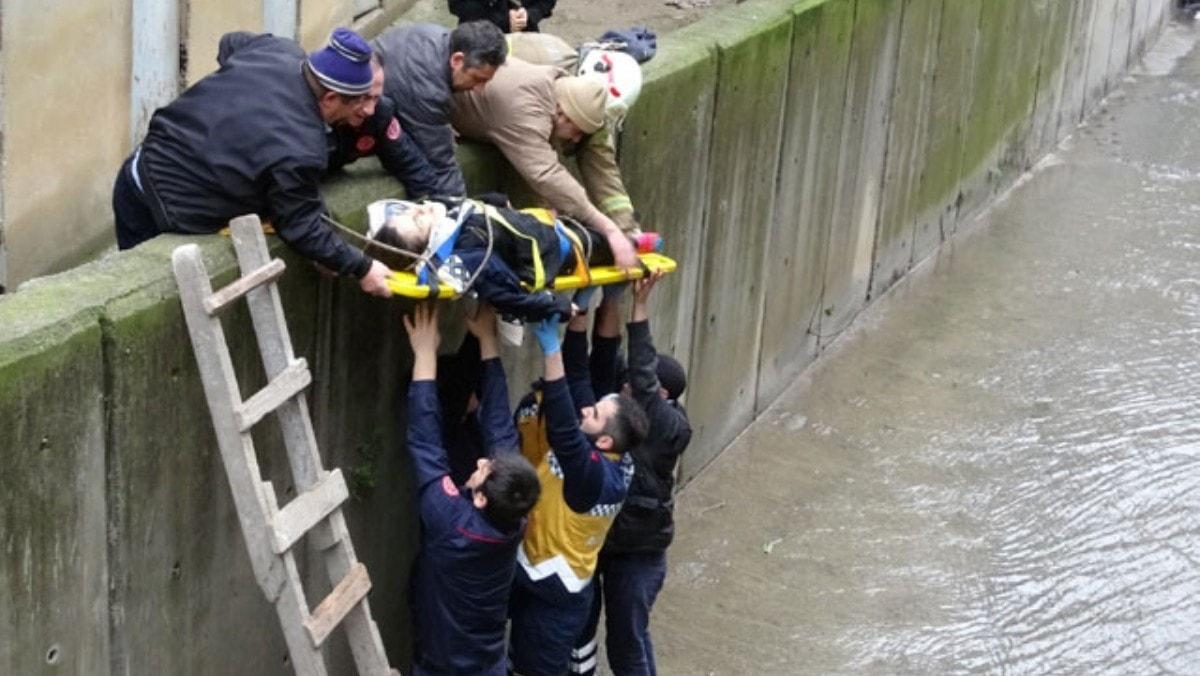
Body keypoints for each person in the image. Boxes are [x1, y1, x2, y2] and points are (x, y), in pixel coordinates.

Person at [111, 28, 393, 297]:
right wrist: (362, 268)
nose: (368, 110)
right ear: (330, 98)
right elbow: (300, 225)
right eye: (358, 102)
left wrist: (235, 95)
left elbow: (230, 42)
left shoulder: (277, 50)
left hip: (137, 168)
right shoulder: (303, 147)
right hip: (161, 208)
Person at [507, 309, 649, 675]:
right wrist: (579, 316)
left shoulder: (594, 478)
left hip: (552, 594)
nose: (585, 411)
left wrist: (550, 349)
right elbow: (580, 383)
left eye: (595, 414)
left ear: (602, 440)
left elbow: (564, 423)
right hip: (546, 582)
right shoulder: (614, 455)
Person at [403, 302, 541, 676]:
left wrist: (424, 354)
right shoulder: (514, 514)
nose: (480, 462)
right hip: (487, 662)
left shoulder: (450, 522)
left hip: (441, 666)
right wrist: (487, 341)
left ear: (479, 498)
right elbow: (499, 430)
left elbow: (427, 443)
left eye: (482, 472)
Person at [571, 272, 692, 676]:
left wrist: (640, 309)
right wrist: (610, 299)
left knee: (627, 640)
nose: (620, 392)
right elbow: (605, 360)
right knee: (581, 631)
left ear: (661, 397)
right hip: (598, 540)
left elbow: (640, 375)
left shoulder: (665, 427)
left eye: (635, 388)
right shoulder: (623, 412)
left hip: (637, 553)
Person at [450, 58, 640, 269]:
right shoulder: (524, 111)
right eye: (577, 132)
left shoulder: (557, 83)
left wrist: (627, 228)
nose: (576, 140)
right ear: (562, 115)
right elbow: (546, 174)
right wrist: (610, 230)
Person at [214, 34, 441, 199]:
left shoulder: (378, 116)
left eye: (375, 98)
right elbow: (231, 42)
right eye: (361, 98)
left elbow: (414, 168)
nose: (368, 109)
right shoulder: (292, 108)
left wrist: (436, 211)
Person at [369, 196, 625, 322]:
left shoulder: (448, 217)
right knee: (616, 245)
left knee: (605, 234)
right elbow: (504, 293)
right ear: (426, 244)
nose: (420, 208)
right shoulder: (464, 257)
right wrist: (555, 306)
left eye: (410, 211)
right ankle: (639, 242)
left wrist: (499, 202)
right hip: (559, 251)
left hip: (540, 227)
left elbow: (481, 205)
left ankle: (631, 238)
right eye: (418, 220)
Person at [373, 21, 508, 197]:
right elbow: (441, 165)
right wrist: (461, 211)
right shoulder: (429, 90)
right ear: (457, 60)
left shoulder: (439, 36)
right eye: (477, 79)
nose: (479, 89)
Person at [448, 0, 557, 34]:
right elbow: (456, 6)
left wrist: (529, 14)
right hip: (479, 34)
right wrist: (506, 21)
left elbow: (545, 2)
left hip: (525, 31)